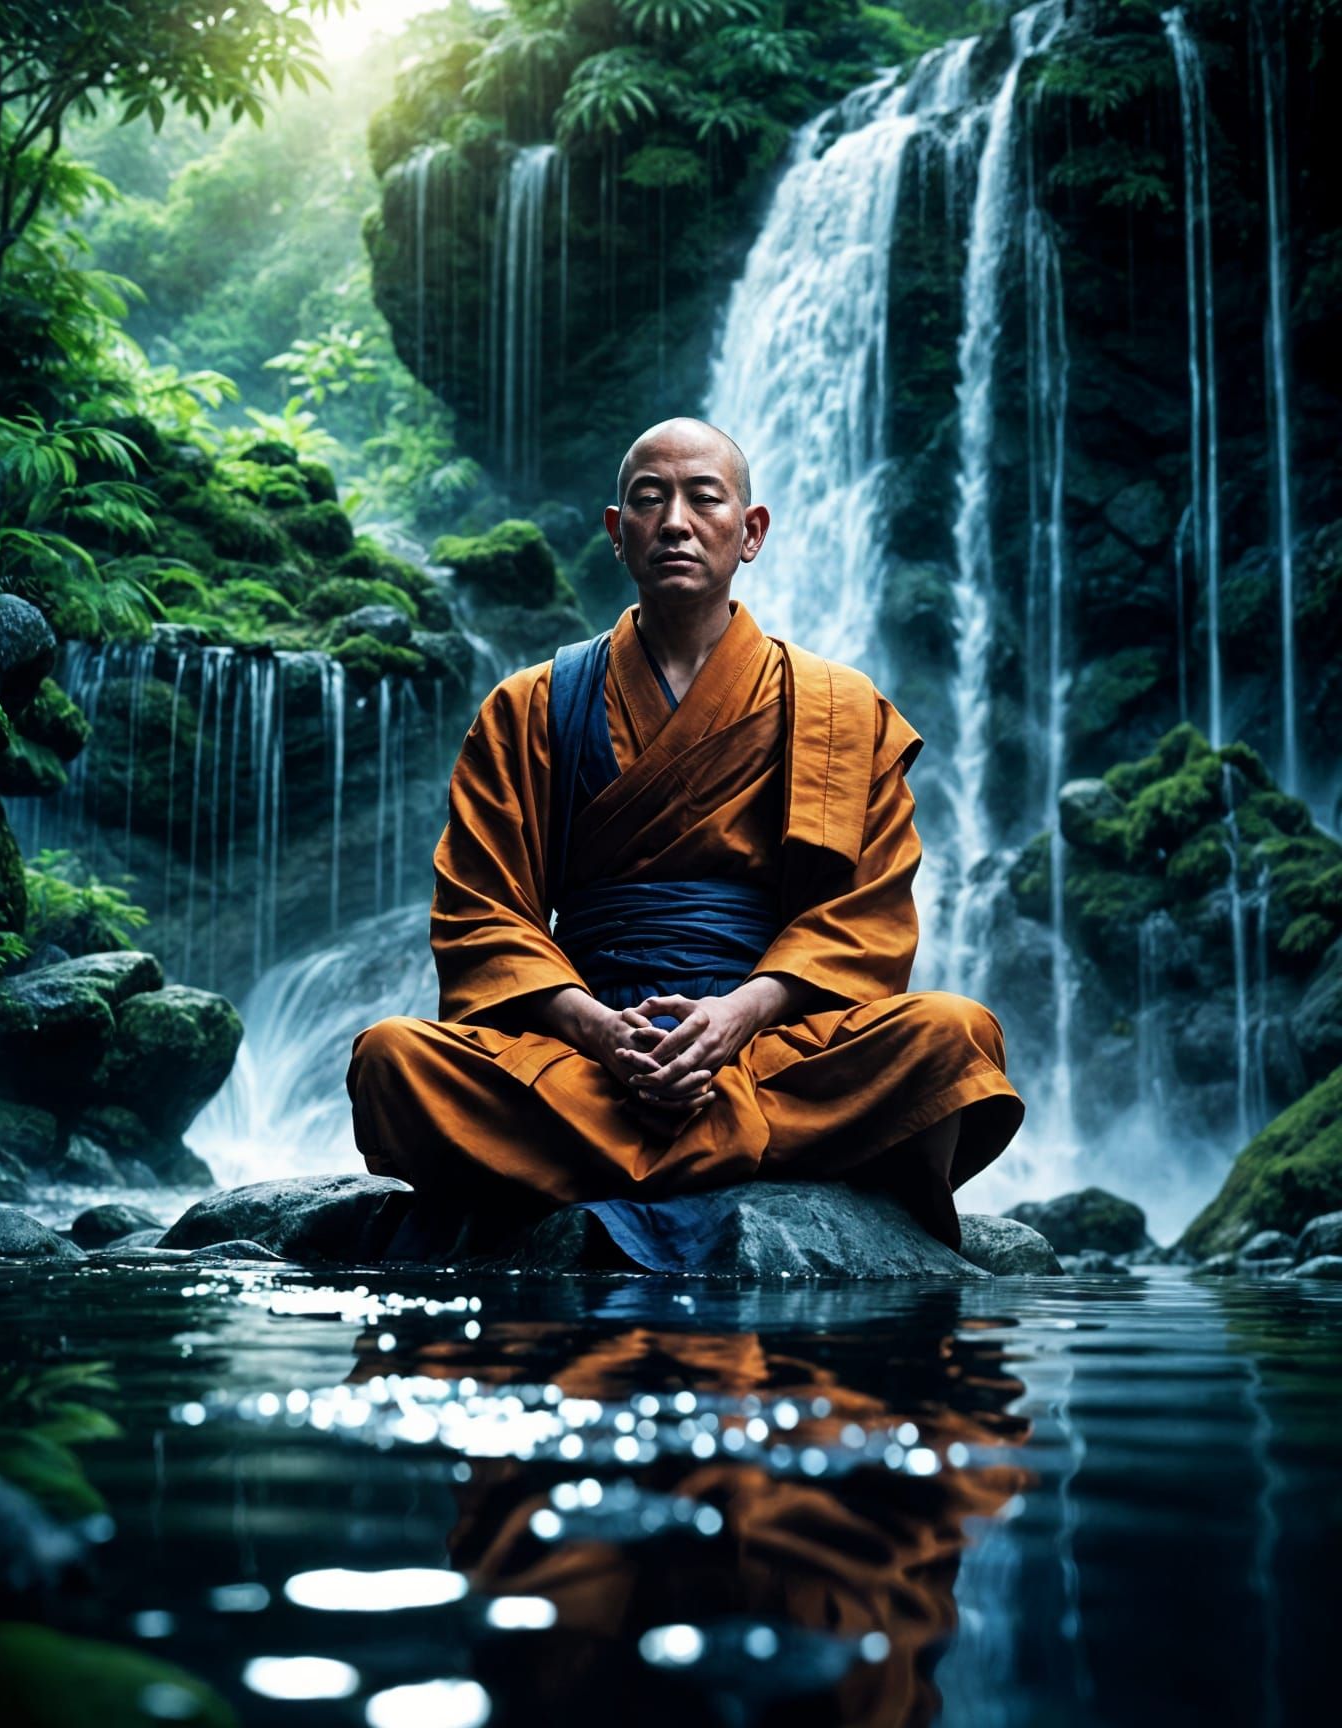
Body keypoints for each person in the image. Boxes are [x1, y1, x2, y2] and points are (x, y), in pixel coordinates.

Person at [346, 417, 1023, 1264]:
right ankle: (758, 1155)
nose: (675, 521)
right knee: (391, 1058)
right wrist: (601, 1033)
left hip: (766, 1038)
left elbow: (867, 917)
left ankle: (585, 1170)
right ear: (615, 533)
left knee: (957, 1034)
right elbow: (484, 917)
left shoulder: (842, 710)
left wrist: (738, 1015)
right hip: (585, 1044)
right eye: (648, 500)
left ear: (752, 531)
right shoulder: (528, 707)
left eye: (704, 499)